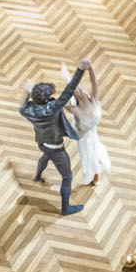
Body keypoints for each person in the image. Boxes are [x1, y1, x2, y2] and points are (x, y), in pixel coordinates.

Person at [21, 59, 91, 216]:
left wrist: (28, 92)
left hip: (42, 143)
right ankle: (66, 208)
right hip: (56, 149)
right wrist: (80, 69)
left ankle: (38, 176)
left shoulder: (29, 110)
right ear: (46, 99)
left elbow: (23, 107)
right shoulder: (52, 108)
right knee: (67, 177)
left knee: (45, 156)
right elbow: (69, 90)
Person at [65, 64, 111, 187]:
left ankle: (96, 175)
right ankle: (95, 174)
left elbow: (93, 82)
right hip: (83, 137)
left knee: (94, 153)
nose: (81, 89)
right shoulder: (77, 109)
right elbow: (62, 105)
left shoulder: (91, 99)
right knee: (89, 156)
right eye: (77, 90)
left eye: (80, 88)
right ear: (75, 96)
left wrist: (90, 69)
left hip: (90, 132)